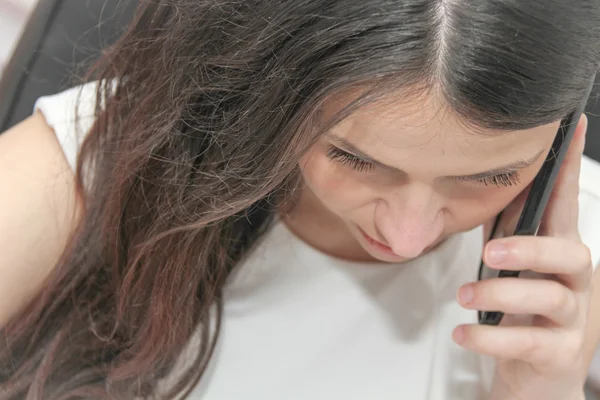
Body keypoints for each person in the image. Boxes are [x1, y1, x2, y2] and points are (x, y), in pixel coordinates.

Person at [2, 0, 600, 399]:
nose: (407, 236)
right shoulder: (117, 153)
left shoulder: (573, 272)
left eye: (492, 176)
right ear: (269, 85)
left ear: (561, 136)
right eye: (354, 159)